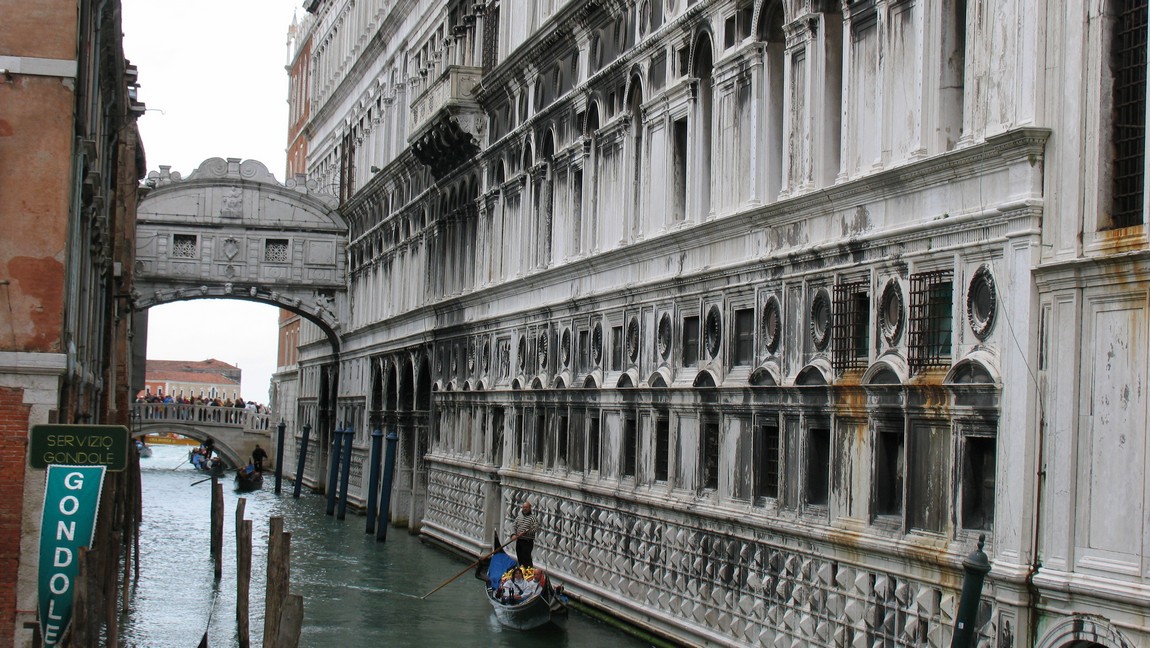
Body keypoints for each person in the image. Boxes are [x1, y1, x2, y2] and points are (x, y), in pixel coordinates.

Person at [511, 501, 540, 568]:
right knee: (520, 556)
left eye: (526, 507)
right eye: (523, 507)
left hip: (527, 541)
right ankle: (522, 570)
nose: (524, 509)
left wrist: (526, 533)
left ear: (530, 508)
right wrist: (513, 534)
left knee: (526, 557)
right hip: (519, 540)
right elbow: (514, 526)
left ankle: (528, 571)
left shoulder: (533, 518)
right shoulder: (519, 517)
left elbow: (535, 528)